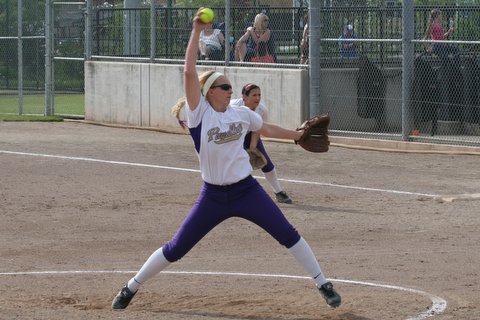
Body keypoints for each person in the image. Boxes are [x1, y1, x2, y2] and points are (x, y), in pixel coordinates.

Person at [111, 8, 341, 311]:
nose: (230, 90)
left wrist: (296, 136)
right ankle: (131, 288)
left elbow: (265, 127)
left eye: (231, 86)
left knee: (288, 234)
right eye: (225, 87)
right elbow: (190, 72)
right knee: (177, 248)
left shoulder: (239, 112)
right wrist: (196, 31)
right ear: (209, 93)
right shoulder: (199, 115)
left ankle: (323, 283)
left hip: (247, 190)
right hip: (213, 196)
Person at [230, 83, 293, 204]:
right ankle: (235, 194)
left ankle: (279, 192)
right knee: (236, 165)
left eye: (259, 95)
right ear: (244, 97)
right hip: (233, 136)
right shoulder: (233, 107)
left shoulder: (261, 110)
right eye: (254, 95)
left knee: (266, 163)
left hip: (250, 134)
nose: (257, 98)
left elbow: (259, 128)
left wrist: (253, 146)